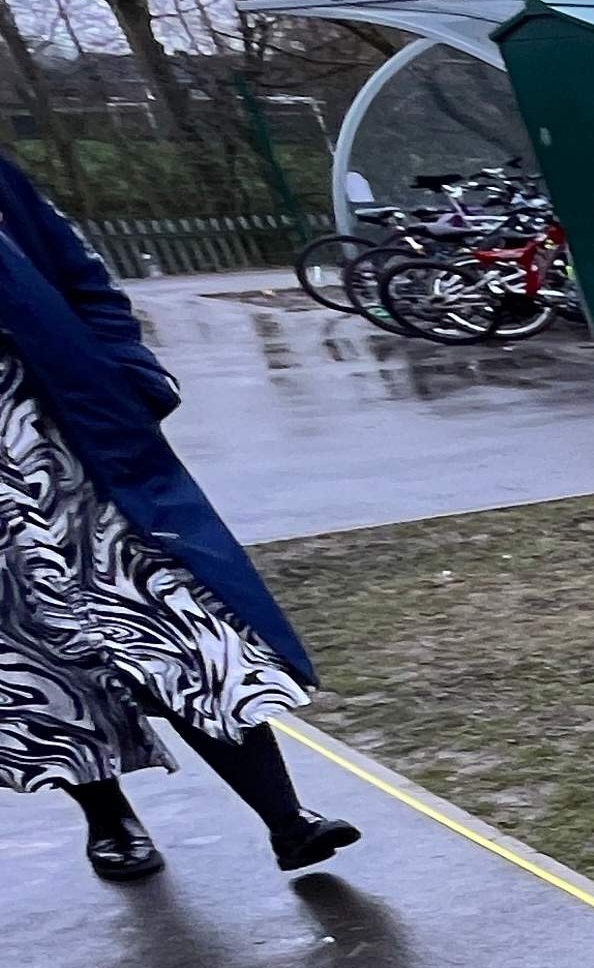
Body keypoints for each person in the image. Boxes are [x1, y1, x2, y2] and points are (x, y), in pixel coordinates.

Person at [0, 147, 356, 882]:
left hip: (74, 449)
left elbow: (81, 277)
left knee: (180, 624)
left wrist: (129, 373)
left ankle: (286, 820)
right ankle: (108, 817)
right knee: (38, 656)